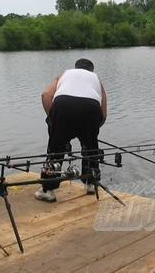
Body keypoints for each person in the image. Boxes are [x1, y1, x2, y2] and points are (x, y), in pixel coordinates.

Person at [35, 58, 107, 202]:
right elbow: (103, 114)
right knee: (91, 148)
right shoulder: (96, 79)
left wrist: (53, 121)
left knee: (56, 148)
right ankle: (91, 184)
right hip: (91, 108)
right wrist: (92, 131)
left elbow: (45, 95)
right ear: (92, 70)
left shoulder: (64, 74)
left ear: (75, 68)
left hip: (63, 104)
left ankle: (48, 190)